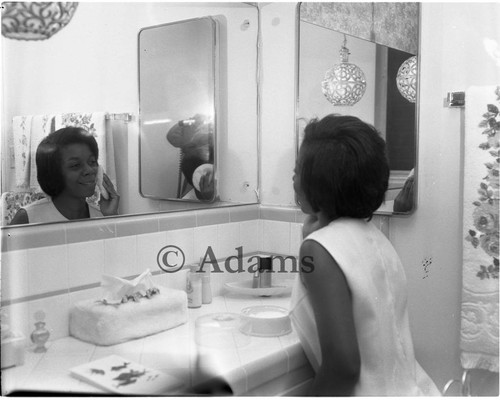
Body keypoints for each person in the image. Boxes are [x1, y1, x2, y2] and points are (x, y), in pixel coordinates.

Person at [290, 114, 439, 396]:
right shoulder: (375, 237)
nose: (293, 177)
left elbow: (343, 368)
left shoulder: (319, 249)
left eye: (298, 170)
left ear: (318, 181)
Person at [9, 127, 119, 225]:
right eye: (76, 165)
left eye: (92, 162)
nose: (90, 170)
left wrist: (111, 218)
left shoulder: (102, 215)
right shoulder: (27, 218)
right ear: (53, 172)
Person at [166, 114, 215, 201]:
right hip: (198, 187)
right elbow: (171, 136)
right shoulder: (191, 150)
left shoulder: (216, 139)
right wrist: (191, 121)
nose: (203, 127)